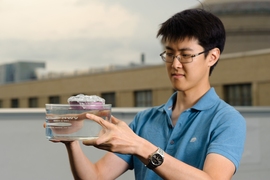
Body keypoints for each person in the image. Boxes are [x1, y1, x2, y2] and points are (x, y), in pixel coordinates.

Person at [54, 8, 246, 180]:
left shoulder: (227, 120)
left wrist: (140, 147)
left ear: (212, 57)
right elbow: (96, 177)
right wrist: (72, 143)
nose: (175, 64)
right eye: (170, 54)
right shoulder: (145, 120)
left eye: (186, 55)